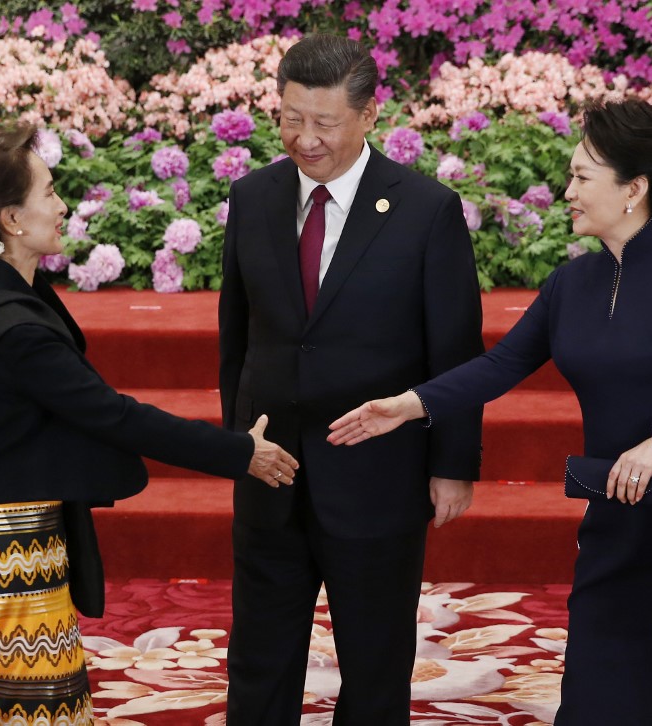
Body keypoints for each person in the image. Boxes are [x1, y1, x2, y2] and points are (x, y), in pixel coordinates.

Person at [328, 99, 652, 725]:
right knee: (597, 690)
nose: (566, 191)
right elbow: (500, 366)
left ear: (634, 190)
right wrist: (408, 406)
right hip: (609, 513)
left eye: (581, 177)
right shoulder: (571, 285)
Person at [0, 124, 298, 725]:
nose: (62, 204)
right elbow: (115, 416)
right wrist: (237, 452)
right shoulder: (15, 330)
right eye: (49, 192)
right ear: (12, 219)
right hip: (4, 558)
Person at [218, 34, 484, 725]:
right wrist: (236, 443)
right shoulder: (252, 198)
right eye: (291, 118)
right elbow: (237, 337)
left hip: (377, 472)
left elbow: (455, 349)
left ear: (369, 116)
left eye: (324, 123)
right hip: (271, 470)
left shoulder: (426, 211)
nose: (305, 139)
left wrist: (452, 463)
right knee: (259, 656)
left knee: (374, 659)